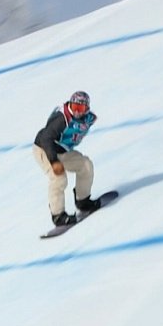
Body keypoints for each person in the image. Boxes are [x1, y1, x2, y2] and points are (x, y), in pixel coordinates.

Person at [33, 90, 102, 226]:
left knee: (85, 165)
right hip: (45, 150)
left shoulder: (87, 118)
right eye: (75, 107)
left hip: (62, 151)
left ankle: (83, 201)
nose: (77, 112)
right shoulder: (62, 119)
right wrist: (53, 161)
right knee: (59, 178)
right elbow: (47, 138)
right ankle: (58, 215)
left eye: (81, 108)